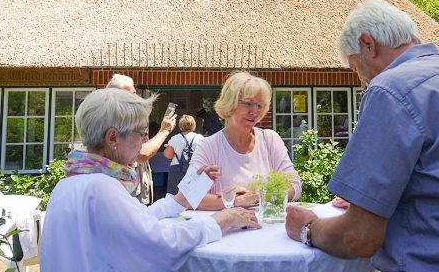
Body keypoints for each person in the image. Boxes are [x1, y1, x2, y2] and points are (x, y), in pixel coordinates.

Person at [284, 0, 439, 272]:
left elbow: (357, 239)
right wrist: (379, 203)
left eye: (354, 66)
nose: (360, 82)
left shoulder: (390, 89)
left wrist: (308, 228)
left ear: (367, 44)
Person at [39, 88, 259, 272]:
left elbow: (134, 222)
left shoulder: (70, 183)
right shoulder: (101, 187)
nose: (144, 141)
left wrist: (183, 198)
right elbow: (157, 247)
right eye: (141, 133)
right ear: (113, 137)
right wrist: (222, 220)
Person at [190, 71, 302, 210]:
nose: (254, 111)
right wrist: (236, 201)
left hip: (266, 227)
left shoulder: (270, 140)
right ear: (230, 104)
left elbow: (295, 186)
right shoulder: (208, 146)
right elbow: (190, 198)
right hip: (228, 229)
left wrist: (260, 196)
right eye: (248, 104)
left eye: (259, 105)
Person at [106, 73, 175, 205]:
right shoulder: (116, 120)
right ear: (113, 95)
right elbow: (142, 154)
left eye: (135, 93)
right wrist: (164, 131)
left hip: (134, 183)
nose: (135, 98)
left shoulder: (127, 118)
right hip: (126, 189)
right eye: (130, 94)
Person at [164, 114, 204, 195]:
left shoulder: (175, 138)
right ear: (194, 125)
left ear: (180, 125)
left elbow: (168, 155)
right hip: (195, 170)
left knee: (175, 196)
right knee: (194, 195)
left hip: (177, 169)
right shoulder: (200, 138)